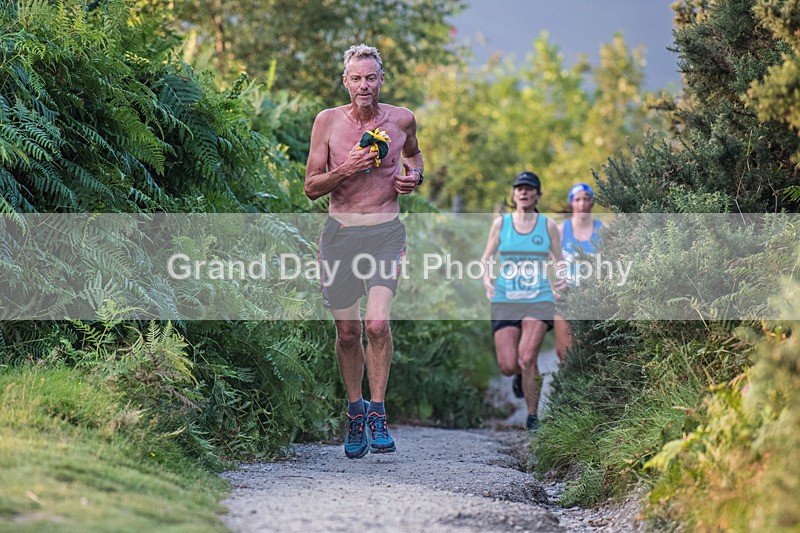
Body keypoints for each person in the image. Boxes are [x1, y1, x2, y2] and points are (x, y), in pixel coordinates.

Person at [304, 44, 424, 459]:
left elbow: (413, 155)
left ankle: (378, 411)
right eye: (356, 78)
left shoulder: (402, 119)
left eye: (371, 77)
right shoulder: (327, 123)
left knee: (375, 325)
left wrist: (415, 177)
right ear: (345, 81)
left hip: (385, 234)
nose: (364, 85)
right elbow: (311, 187)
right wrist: (347, 169)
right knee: (348, 333)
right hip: (339, 235)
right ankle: (355, 412)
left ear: (381, 79)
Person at [481, 171, 565, 432]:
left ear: (538, 194)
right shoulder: (501, 224)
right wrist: (487, 279)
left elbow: (559, 260)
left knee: (528, 357)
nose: (524, 192)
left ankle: (532, 416)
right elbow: (486, 258)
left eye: (529, 188)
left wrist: (559, 282)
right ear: (514, 194)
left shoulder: (547, 225)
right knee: (508, 365)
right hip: (506, 297)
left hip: (538, 298)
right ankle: (520, 375)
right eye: (519, 188)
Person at [554, 182, 604, 363]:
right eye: (577, 200)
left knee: (587, 349)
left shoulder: (603, 229)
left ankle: (584, 389)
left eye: (586, 199)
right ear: (571, 203)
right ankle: (564, 388)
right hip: (565, 295)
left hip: (593, 296)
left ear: (591, 202)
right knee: (564, 352)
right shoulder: (560, 230)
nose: (582, 203)